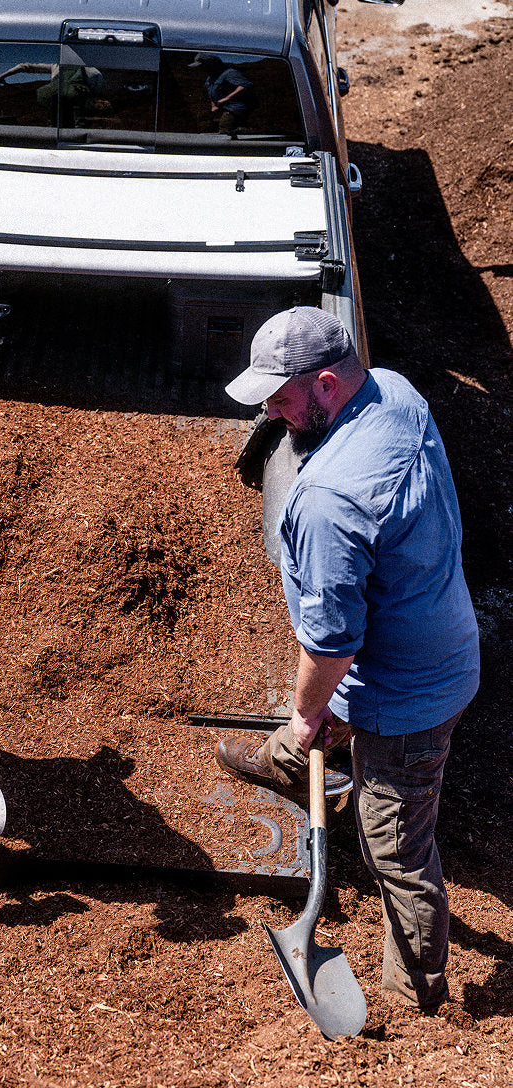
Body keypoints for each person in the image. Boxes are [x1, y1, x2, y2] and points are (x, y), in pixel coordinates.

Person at [218, 306, 480, 1012]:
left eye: (280, 398)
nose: (270, 413)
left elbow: (333, 645)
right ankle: (289, 761)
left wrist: (310, 714)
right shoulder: (394, 390)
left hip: (407, 700)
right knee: (319, 713)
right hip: (433, 633)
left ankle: (417, 994)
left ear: (328, 384)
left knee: (395, 848)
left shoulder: (331, 500)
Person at [189, 53, 255, 135]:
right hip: (223, 109)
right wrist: (214, 105)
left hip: (235, 109)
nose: (200, 69)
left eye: (202, 66)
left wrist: (227, 98)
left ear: (210, 65)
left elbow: (245, 86)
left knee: (225, 129)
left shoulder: (230, 73)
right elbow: (211, 92)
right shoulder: (210, 77)